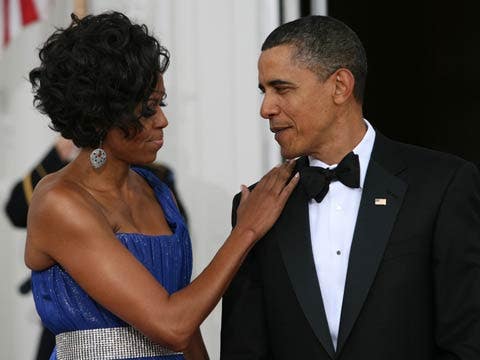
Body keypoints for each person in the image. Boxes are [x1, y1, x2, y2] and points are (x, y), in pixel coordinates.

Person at [25, 11, 299, 360]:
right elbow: (172, 325)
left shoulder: (157, 190)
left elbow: (188, 324)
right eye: (148, 110)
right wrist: (246, 231)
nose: (163, 120)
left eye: (161, 104)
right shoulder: (59, 202)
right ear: (100, 117)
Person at [221, 15, 480, 360]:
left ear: (340, 86)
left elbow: (466, 340)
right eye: (264, 91)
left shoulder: (443, 185)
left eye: (281, 89)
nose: (266, 108)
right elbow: (244, 348)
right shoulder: (256, 205)